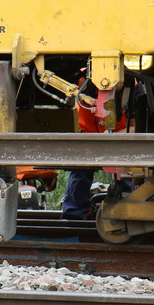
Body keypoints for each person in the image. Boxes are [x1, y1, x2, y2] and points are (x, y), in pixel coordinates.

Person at [60, 81, 135, 220]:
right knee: (80, 171)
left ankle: (128, 210)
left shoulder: (133, 88)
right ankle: (74, 216)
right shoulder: (81, 83)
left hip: (119, 142)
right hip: (86, 140)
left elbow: (137, 127)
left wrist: (114, 137)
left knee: (125, 171)